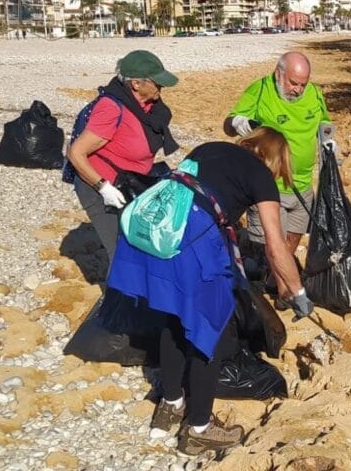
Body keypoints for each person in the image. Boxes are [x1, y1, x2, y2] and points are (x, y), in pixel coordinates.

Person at [108, 128, 313, 457]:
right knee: (209, 332)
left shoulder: (209, 148)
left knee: (173, 319)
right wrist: (297, 291)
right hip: (193, 242)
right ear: (275, 160)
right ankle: (198, 430)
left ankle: (170, 406)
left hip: (162, 235)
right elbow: (276, 248)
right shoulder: (260, 175)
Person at [66, 50, 180, 262]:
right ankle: (116, 295)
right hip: (101, 188)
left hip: (132, 183)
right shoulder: (111, 108)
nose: (161, 87)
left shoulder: (149, 107)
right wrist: (103, 187)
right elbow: (76, 152)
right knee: (121, 255)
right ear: (136, 84)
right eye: (157, 82)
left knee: (141, 246)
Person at [222, 51, 338, 259]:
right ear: (278, 74)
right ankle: (274, 278)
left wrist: (328, 141)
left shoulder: (314, 93)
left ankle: (273, 283)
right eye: (294, 83)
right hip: (269, 184)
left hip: (303, 184)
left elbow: (324, 123)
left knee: (294, 237)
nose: (298, 90)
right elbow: (228, 126)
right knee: (273, 244)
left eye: (303, 84)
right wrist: (239, 123)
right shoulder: (260, 90)